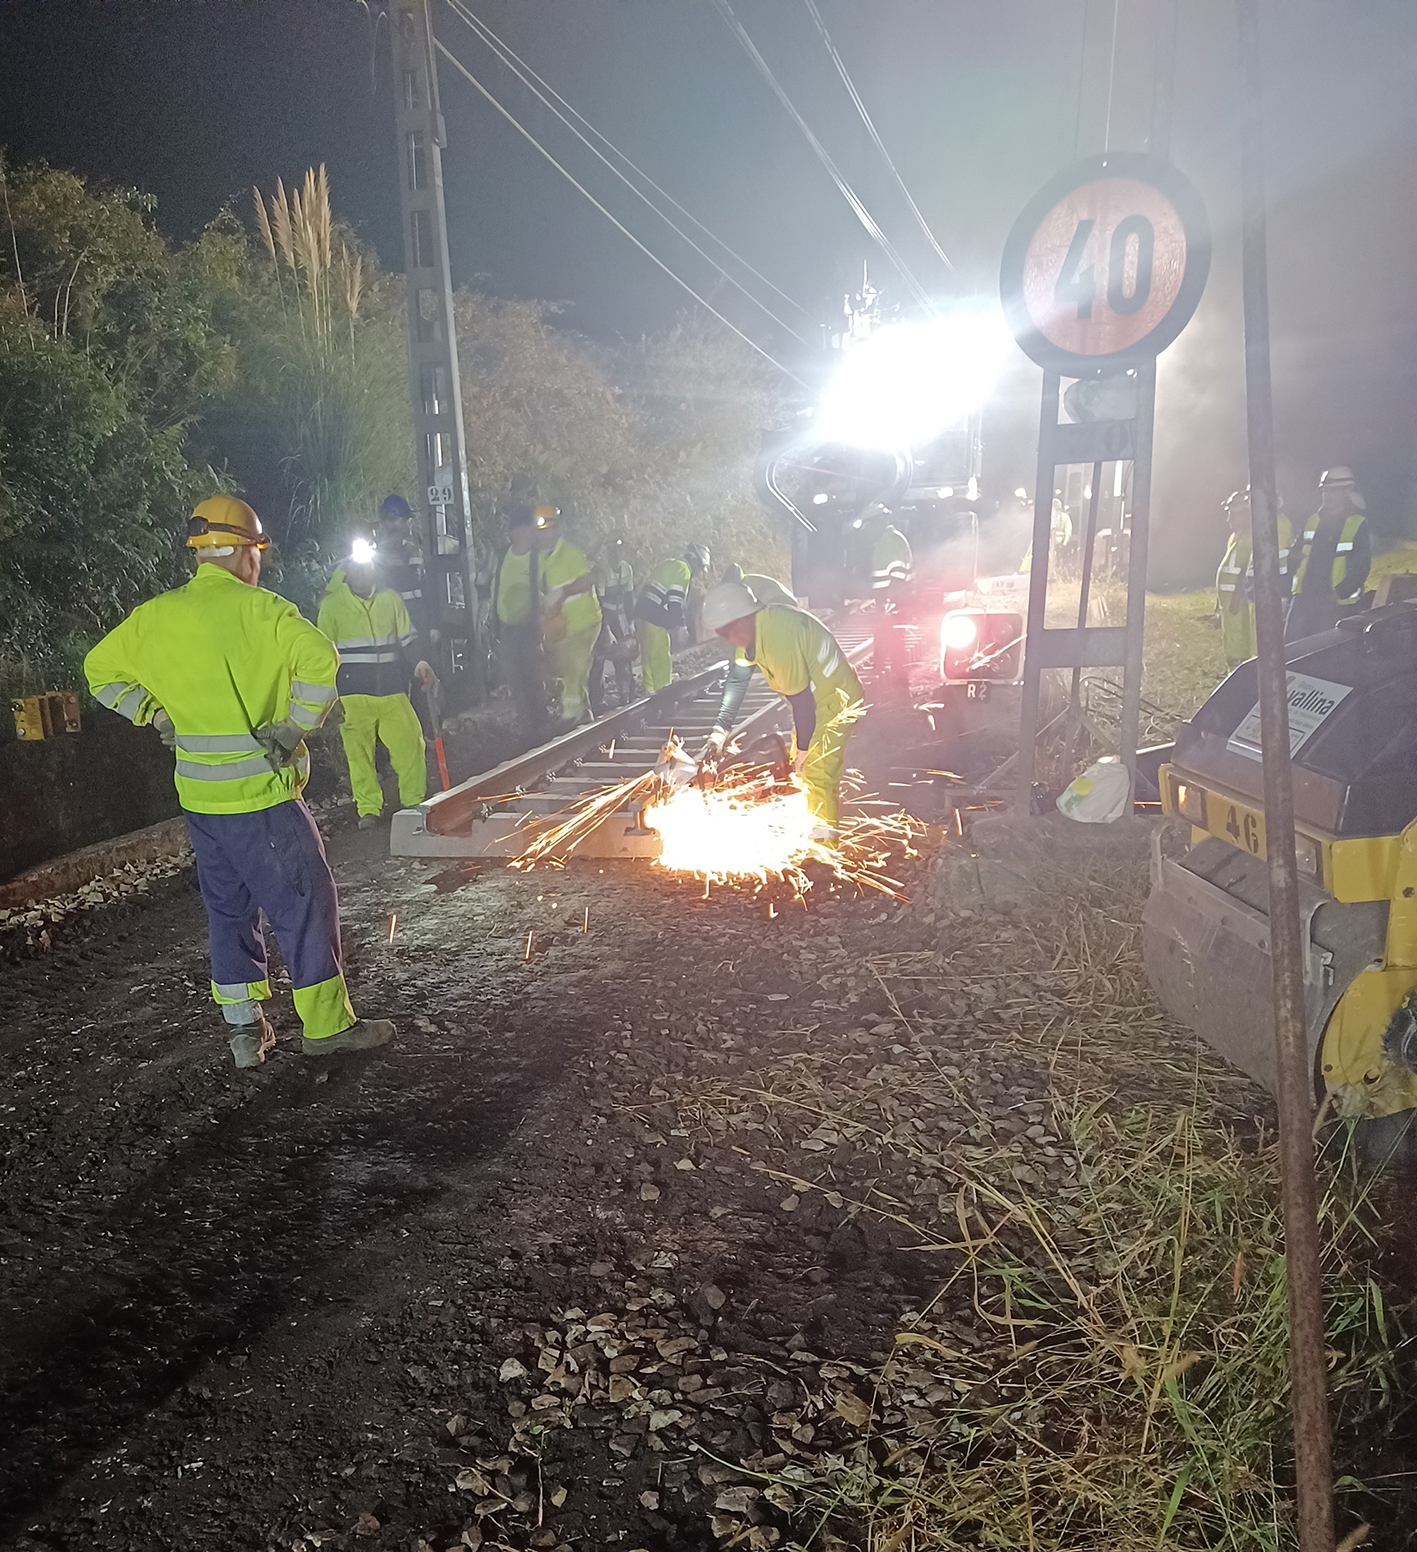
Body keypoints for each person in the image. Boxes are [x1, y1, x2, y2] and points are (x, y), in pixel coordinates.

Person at [84, 496, 394, 1066]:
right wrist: (296, 724)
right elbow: (321, 662)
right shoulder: (265, 613)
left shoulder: (156, 617)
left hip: (201, 801)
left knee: (229, 911)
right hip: (262, 797)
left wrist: (155, 713)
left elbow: (98, 671)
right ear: (246, 553)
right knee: (305, 903)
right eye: (257, 552)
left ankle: (245, 1033)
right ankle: (325, 1025)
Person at [700, 580, 864, 844]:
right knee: (802, 773)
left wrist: (803, 750)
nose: (725, 640)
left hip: (835, 698)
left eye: (725, 633)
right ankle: (813, 836)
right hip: (815, 700)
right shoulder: (753, 632)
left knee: (815, 771)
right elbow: (738, 681)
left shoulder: (778, 640)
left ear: (741, 621)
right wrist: (721, 730)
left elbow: (801, 703)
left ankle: (824, 854)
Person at [317, 538, 433, 829]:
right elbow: (321, 654)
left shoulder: (390, 600)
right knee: (359, 756)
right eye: (355, 569)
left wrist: (419, 662)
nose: (361, 575)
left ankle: (413, 802)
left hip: (392, 690)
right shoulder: (332, 607)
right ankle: (369, 809)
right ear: (346, 571)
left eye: (366, 568)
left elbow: (408, 639)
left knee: (411, 744)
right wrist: (328, 696)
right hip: (354, 695)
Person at [1287, 466, 1371, 641]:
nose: (1327, 495)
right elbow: (1296, 553)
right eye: (1325, 490)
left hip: (1334, 603)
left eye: (1333, 491)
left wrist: (1340, 593)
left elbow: (1361, 566)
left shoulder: (1357, 524)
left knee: (1323, 654)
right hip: (1303, 598)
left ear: (1347, 491)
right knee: (1290, 651)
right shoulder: (1312, 521)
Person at [537, 505, 602, 725]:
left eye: (548, 529)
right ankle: (584, 717)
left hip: (585, 621)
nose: (544, 534)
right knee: (571, 670)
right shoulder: (543, 559)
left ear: (558, 529)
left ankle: (570, 717)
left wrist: (563, 593)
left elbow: (587, 580)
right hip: (565, 626)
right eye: (541, 530)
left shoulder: (570, 553)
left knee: (573, 668)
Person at [1215, 487, 1293, 667]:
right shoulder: (1239, 536)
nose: (1229, 519)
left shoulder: (1270, 528)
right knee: (1238, 650)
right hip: (1238, 607)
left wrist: (1237, 597)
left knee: (1251, 650)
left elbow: (1248, 570)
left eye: (1233, 514)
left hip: (1249, 604)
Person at [493, 505, 548, 739]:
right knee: (514, 677)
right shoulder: (501, 556)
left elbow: (548, 591)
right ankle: (527, 725)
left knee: (532, 675)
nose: (527, 534)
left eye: (529, 529)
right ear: (514, 531)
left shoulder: (538, 559)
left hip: (530, 628)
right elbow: (496, 588)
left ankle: (541, 721)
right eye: (523, 529)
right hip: (507, 628)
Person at [637, 543, 711, 693]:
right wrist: (680, 625)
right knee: (661, 657)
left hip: (641, 613)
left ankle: (649, 690)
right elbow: (675, 600)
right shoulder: (683, 569)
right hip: (655, 616)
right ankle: (664, 691)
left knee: (648, 655)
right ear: (695, 561)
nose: (699, 572)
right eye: (701, 567)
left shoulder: (668, 563)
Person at [858, 504, 913, 691]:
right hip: (894, 600)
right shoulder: (889, 539)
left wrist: (888, 603)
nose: (867, 530)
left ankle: (897, 686)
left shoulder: (888, 542)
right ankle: (893, 682)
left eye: (869, 525)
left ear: (881, 522)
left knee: (895, 642)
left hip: (894, 601)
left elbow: (896, 576)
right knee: (888, 639)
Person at [590, 533, 637, 716]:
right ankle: (596, 699)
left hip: (617, 616)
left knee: (624, 652)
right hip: (600, 616)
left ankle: (626, 692)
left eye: (619, 550)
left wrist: (630, 623)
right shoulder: (602, 570)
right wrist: (605, 629)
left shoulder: (627, 569)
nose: (616, 554)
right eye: (612, 550)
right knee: (600, 657)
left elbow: (628, 598)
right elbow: (599, 602)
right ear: (608, 552)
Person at [375, 494, 431, 640]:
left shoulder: (417, 549)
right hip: (392, 624)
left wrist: (433, 625)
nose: (409, 523)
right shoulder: (378, 554)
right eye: (404, 519)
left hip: (419, 622)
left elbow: (428, 587)